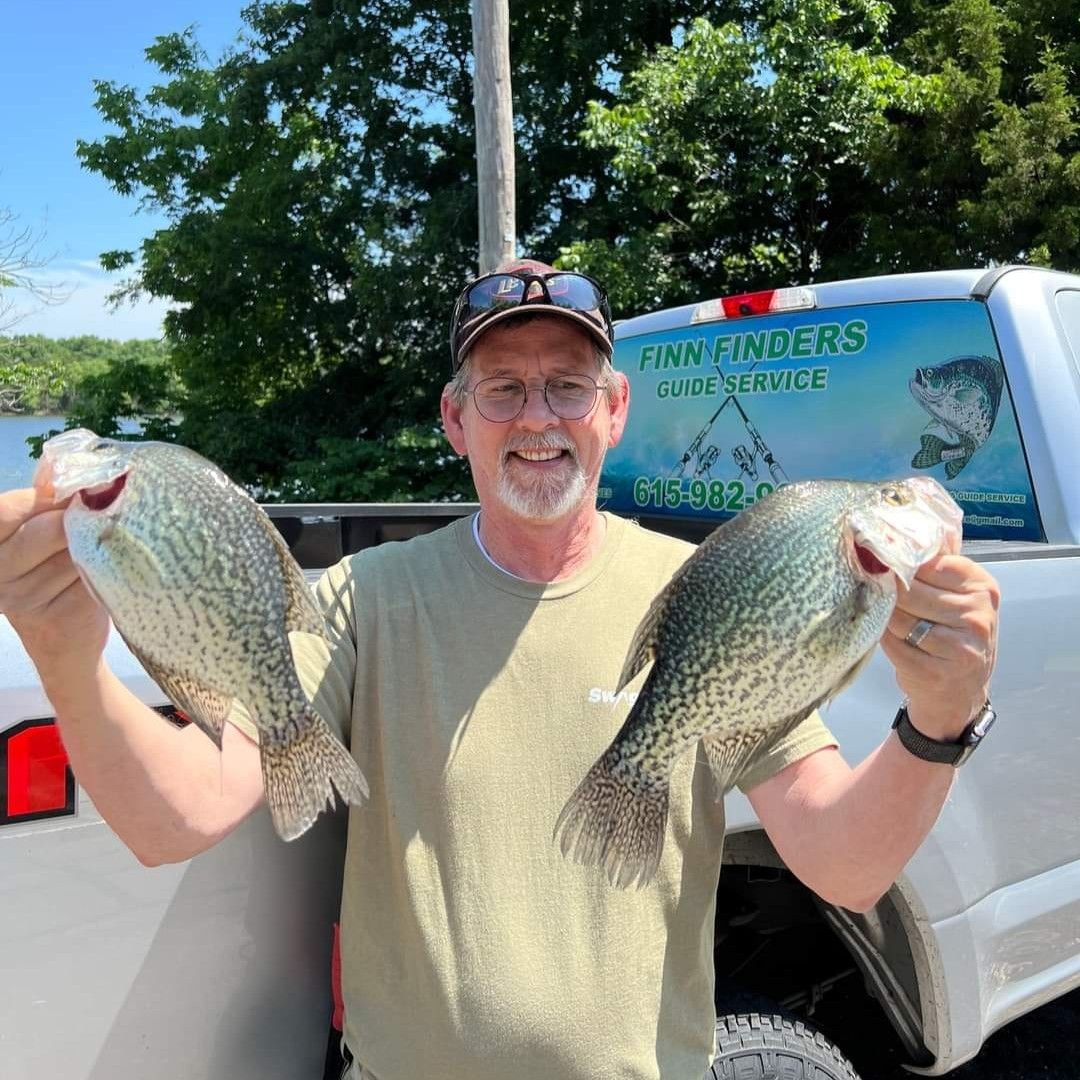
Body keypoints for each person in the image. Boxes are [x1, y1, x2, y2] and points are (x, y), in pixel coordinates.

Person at [0, 259, 999, 1080]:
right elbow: (182, 815)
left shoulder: (712, 591)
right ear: (455, 418)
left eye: (566, 385)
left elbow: (843, 864)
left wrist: (939, 720)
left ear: (613, 409)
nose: (537, 417)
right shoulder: (365, 597)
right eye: (503, 387)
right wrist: (67, 657)